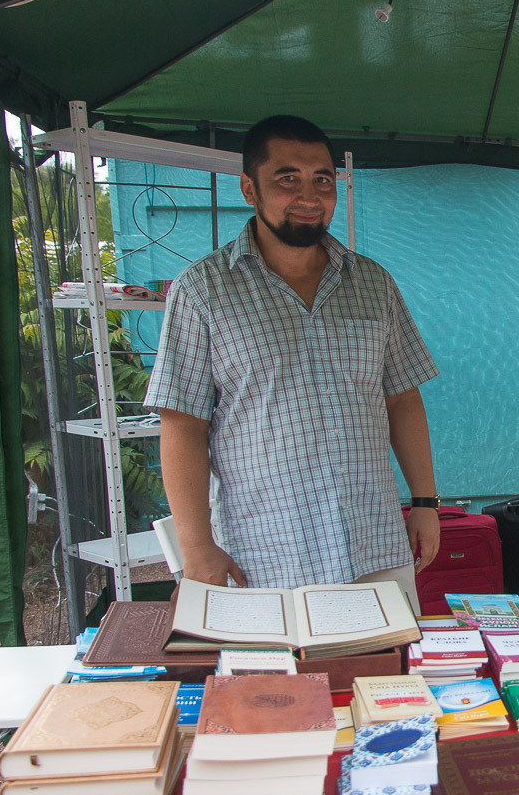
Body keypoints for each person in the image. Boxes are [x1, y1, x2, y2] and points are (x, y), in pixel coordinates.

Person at [146, 114, 440, 606]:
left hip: (373, 543)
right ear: (250, 188)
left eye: (322, 180)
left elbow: (402, 399)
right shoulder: (202, 291)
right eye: (287, 179)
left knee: (384, 658)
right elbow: (182, 425)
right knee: (268, 664)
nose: (309, 196)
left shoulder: (373, 284)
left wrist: (426, 502)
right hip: (261, 555)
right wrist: (197, 546)